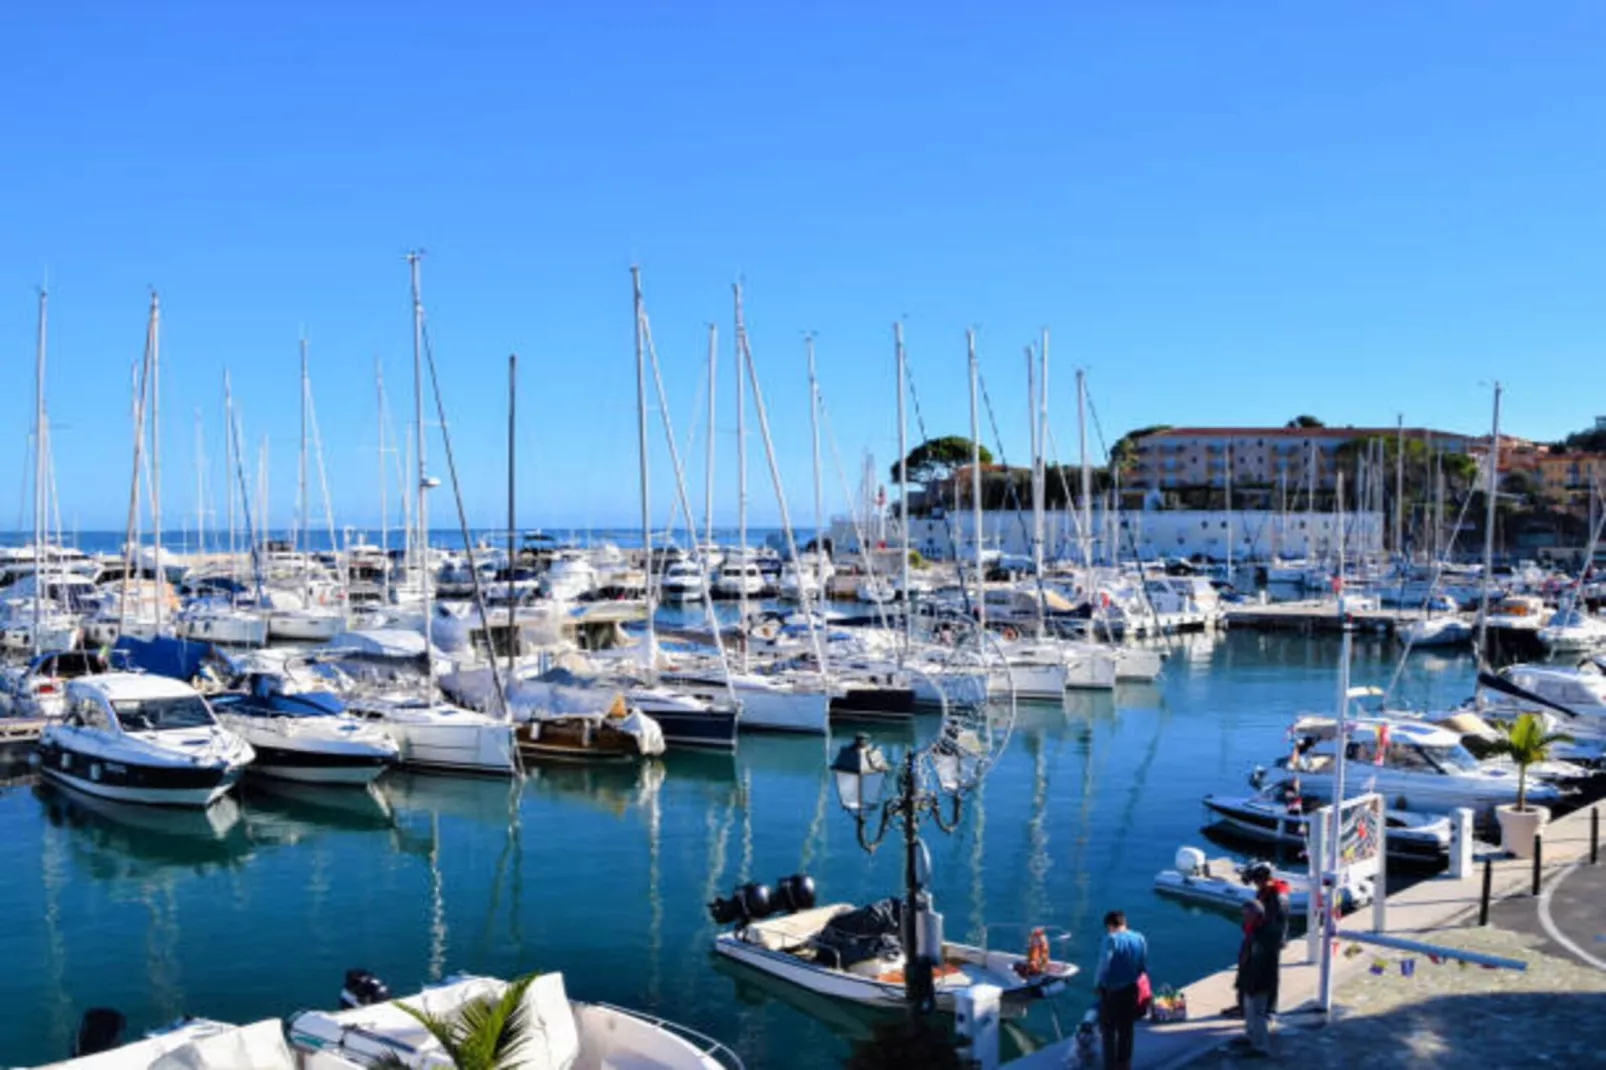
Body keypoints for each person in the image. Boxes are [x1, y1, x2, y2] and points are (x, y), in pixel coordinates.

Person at [1094, 909, 1148, 1070]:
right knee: (1126, 1029)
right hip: (1131, 989)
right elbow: (1142, 965)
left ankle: (1110, 1065)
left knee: (1108, 1030)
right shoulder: (1140, 938)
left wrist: (1098, 984)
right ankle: (1125, 1064)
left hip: (1112, 991)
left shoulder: (1111, 939)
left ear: (1110, 925)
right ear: (1124, 922)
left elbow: (1104, 964)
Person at [1245, 862, 1291, 1015]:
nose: (1256, 884)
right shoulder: (1264, 891)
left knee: (1270, 973)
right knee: (1256, 971)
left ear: (1265, 879)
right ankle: (1253, 1002)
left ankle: (1271, 1007)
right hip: (1262, 937)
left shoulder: (1278, 895)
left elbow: (1281, 919)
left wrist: (1278, 939)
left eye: (1257, 880)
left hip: (1271, 939)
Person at [1233, 899, 1275, 1058]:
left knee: (1258, 1013)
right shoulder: (1256, 930)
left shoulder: (1262, 935)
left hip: (1258, 980)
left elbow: (1260, 961)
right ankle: (1251, 1036)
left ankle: (1261, 1046)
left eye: (1246, 915)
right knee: (1249, 1009)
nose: (1244, 918)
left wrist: (1252, 982)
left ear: (1256, 915)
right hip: (1250, 978)